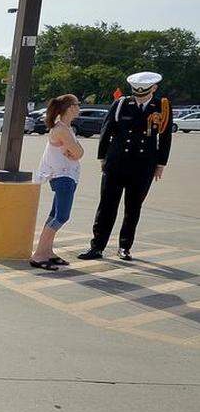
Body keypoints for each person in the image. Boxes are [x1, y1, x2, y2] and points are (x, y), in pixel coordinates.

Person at [78, 71, 172, 261]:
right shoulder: (121, 104)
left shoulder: (161, 106)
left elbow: (165, 137)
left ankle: (124, 247)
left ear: (154, 88)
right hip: (117, 162)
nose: (140, 97)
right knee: (106, 206)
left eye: (144, 93)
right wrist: (102, 157)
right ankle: (97, 247)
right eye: (137, 94)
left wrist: (161, 163)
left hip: (144, 164)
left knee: (133, 207)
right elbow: (107, 130)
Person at [30, 94, 83, 271]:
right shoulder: (61, 129)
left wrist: (76, 152)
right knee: (61, 216)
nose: (79, 107)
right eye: (77, 104)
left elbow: (76, 152)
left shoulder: (67, 128)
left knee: (54, 214)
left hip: (67, 176)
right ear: (69, 108)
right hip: (63, 176)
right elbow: (78, 153)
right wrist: (76, 152)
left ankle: (47, 251)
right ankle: (39, 254)